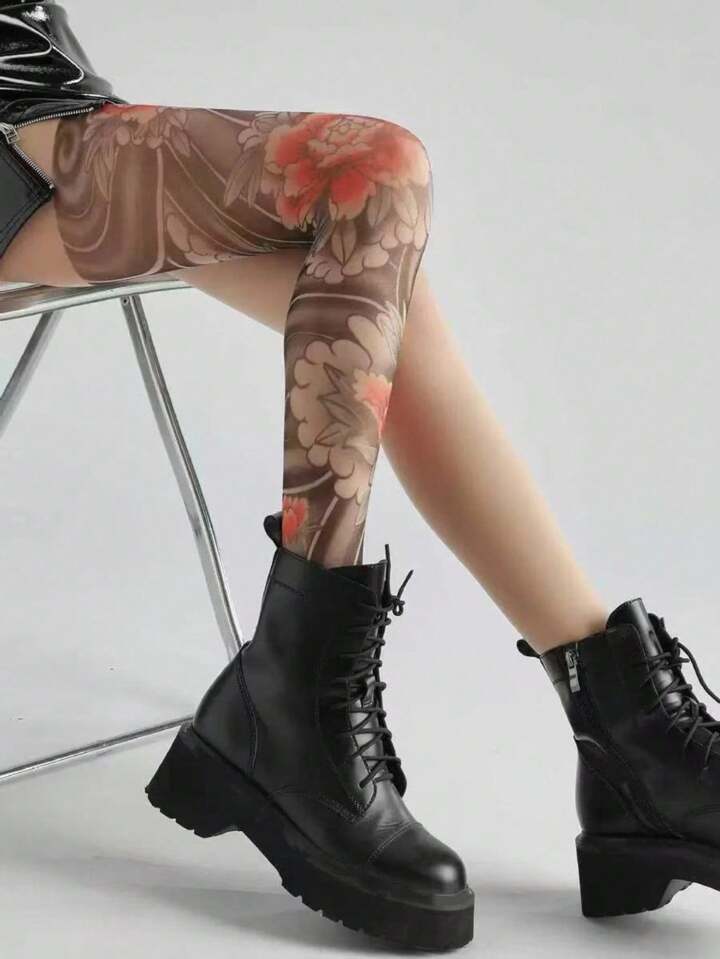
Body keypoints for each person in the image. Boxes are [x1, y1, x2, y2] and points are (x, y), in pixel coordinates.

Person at [3, 1, 720, 952]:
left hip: (54, 114)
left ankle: (626, 726)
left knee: (380, 286)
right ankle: (310, 696)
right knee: (372, 171)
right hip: (41, 136)